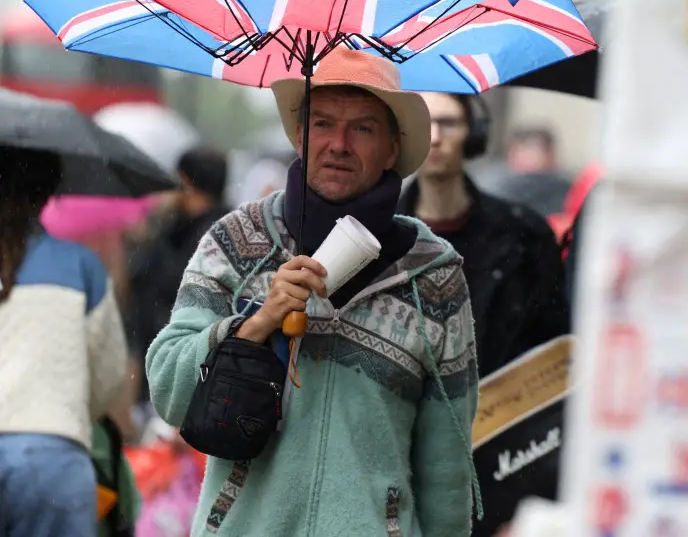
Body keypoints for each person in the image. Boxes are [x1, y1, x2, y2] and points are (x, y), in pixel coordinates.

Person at [145, 48, 479, 536]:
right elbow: (169, 390)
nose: (338, 144)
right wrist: (256, 323)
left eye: (362, 128)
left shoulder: (433, 274)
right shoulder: (238, 242)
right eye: (322, 124)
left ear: (392, 148)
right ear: (301, 138)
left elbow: (447, 468)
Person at [0, 148, 129, 537]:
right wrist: (65, 412)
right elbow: (108, 377)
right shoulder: (79, 265)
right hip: (52, 462)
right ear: (49, 191)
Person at [398, 93, 569, 376]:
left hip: (502, 410)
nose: (436, 137)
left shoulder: (525, 235)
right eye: (424, 124)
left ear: (473, 133)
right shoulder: (379, 235)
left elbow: (554, 345)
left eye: (448, 123)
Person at [127, 147, 230, 403]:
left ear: (184, 181)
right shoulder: (228, 230)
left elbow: (151, 281)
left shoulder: (196, 236)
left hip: (180, 369)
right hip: (192, 368)